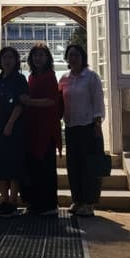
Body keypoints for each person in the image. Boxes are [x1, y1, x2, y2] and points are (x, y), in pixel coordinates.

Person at [58, 44, 105, 217]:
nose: (73, 58)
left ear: (82, 57)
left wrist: (98, 124)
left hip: (89, 126)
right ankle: (77, 200)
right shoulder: (64, 78)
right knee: (73, 165)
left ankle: (89, 203)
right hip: (71, 127)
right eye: (70, 55)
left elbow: (98, 100)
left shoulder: (91, 77)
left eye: (76, 55)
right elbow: (59, 101)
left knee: (89, 166)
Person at [20, 42, 62, 217]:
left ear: (47, 58)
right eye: (35, 55)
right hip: (33, 128)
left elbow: (52, 101)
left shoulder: (50, 76)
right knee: (35, 167)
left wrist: (30, 102)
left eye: (41, 55)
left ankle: (49, 204)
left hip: (46, 129)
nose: (38, 58)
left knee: (46, 167)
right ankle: (36, 203)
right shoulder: (32, 77)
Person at [0, 46, 28, 217]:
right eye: (4, 57)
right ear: (0, 60)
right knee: (0, 165)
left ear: (16, 60)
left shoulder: (19, 79)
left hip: (14, 128)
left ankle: (13, 201)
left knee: (13, 165)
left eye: (11, 57)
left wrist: (10, 124)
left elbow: (20, 104)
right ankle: (4, 201)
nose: (7, 60)